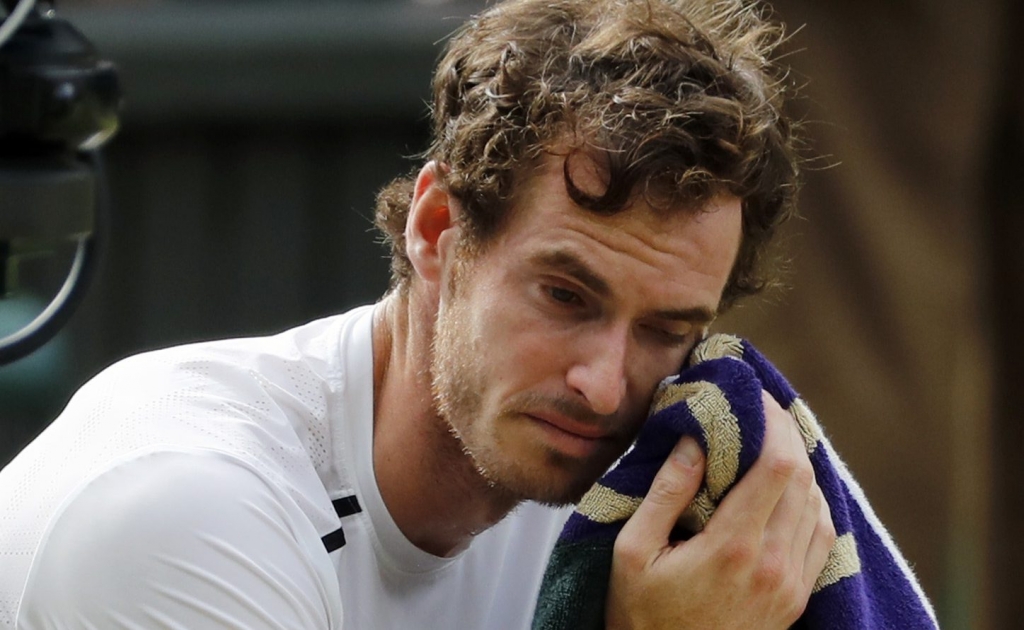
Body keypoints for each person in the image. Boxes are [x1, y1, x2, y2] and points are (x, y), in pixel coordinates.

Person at [0, 0, 836, 628]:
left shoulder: (629, 515)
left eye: (665, 331)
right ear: (437, 229)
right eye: (565, 296)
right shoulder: (180, 513)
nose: (604, 384)